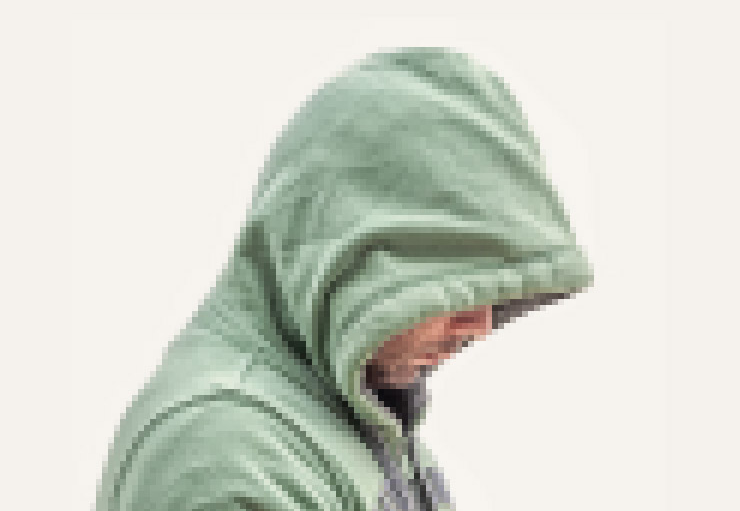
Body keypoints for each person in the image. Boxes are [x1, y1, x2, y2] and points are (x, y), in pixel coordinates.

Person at [94, 47, 594, 511]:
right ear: (348, 257)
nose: (479, 323)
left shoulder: (349, 416)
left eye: (492, 287)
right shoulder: (230, 454)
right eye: (447, 281)